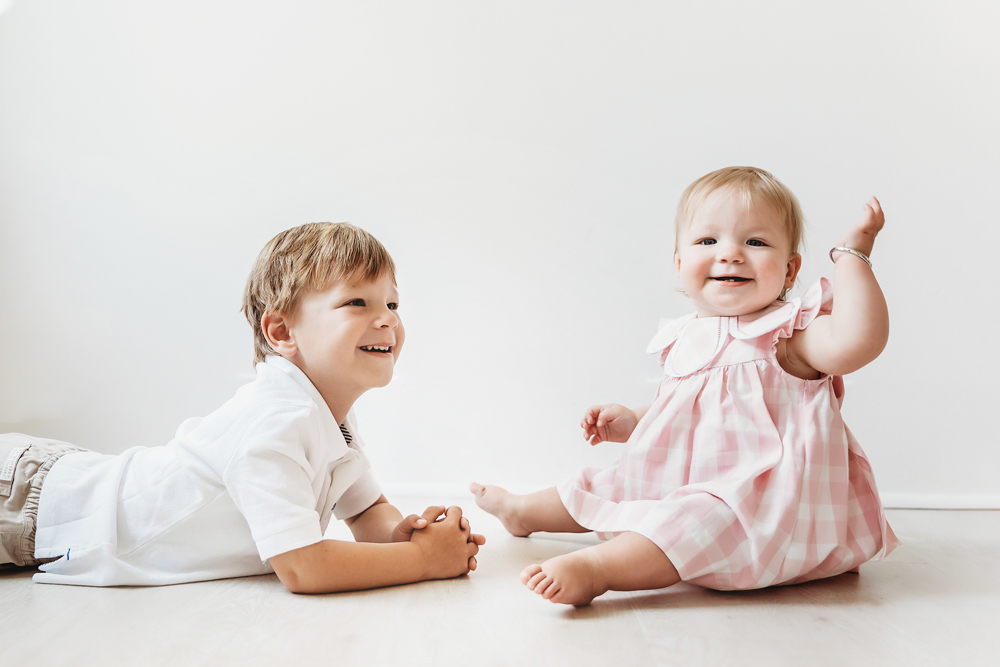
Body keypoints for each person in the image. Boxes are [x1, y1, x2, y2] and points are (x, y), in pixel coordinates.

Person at [472, 166, 897, 606]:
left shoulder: (790, 336)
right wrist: (635, 420)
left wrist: (853, 257)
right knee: (612, 484)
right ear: (679, 262)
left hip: (759, 511)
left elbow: (858, 341)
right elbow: (684, 414)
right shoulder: (684, 336)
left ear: (790, 272)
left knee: (693, 518)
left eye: (755, 242)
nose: (730, 253)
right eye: (707, 241)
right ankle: (521, 511)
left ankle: (599, 569)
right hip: (684, 486)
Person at [0, 222, 483, 592]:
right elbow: (303, 566)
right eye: (357, 302)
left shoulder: (329, 414)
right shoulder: (276, 420)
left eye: (393, 305)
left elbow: (365, 511)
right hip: (33, 505)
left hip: (53, 488)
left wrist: (408, 538)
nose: (386, 320)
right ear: (282, 333)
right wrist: (423, 563)